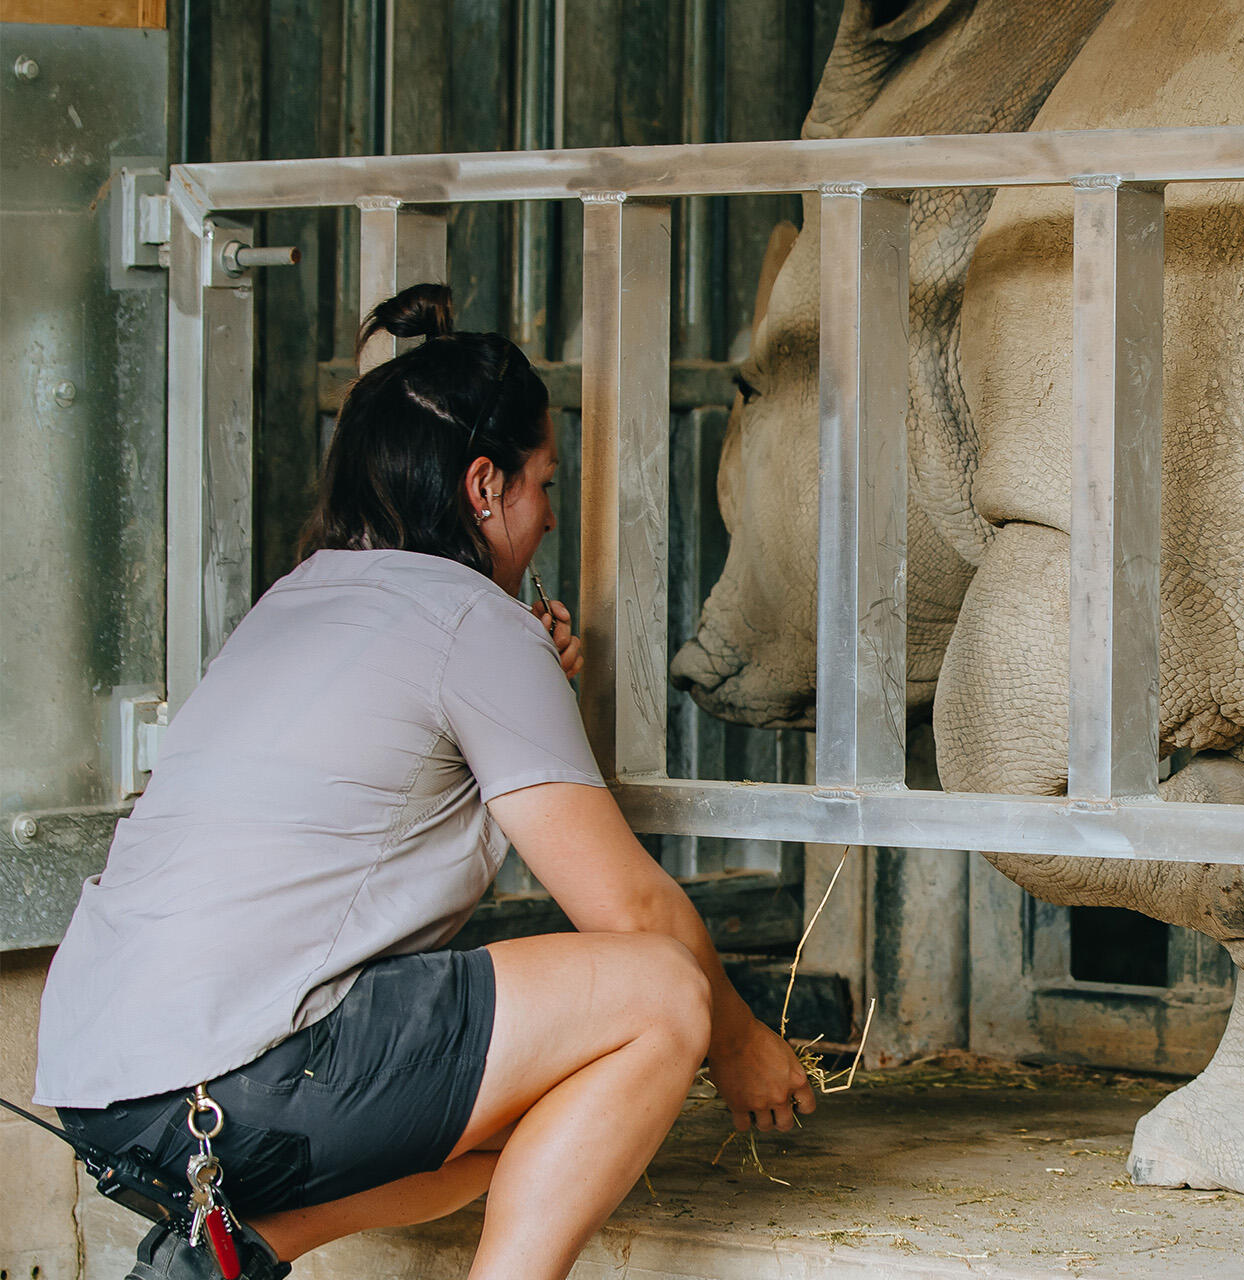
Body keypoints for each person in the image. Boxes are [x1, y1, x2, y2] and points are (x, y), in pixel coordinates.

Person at [33, 284, 816, 1280]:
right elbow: (630, 907)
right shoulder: (473, 626)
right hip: (232, 1088)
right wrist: (739, 1038)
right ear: (483, 487)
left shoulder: (298, 597)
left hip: (105, 1096)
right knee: (661, 995)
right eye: (542, 485)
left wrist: (514, 669)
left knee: (539, 1108)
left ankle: (228, 1253)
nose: (545, 520)